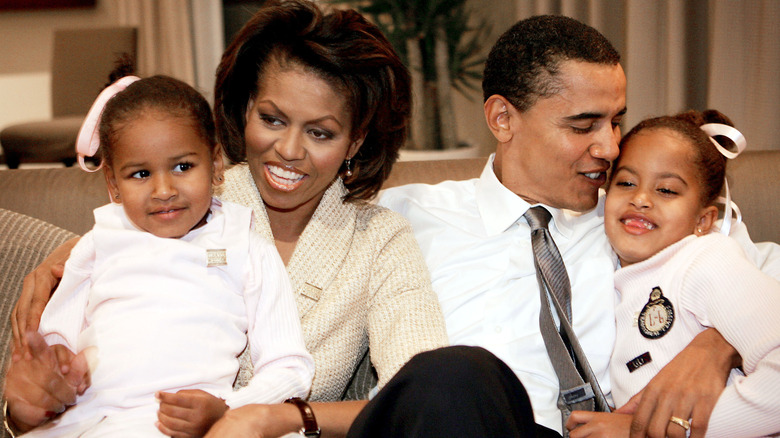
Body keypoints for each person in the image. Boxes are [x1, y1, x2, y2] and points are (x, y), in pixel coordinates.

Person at [5, 1, 448, 436]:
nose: (289, 150)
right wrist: (27, 405)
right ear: (245, 109)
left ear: (354, 142)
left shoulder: (378, 241)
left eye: (320, 132)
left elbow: (421, 397)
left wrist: (278, 416)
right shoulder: (180, 197)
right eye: (272, 119)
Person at [375, 15, 780, 438]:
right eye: (583, 125)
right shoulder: (406, 216)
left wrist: (719, 343)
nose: (610, 148)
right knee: (455, 373)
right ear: (502, 119)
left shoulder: (642, 221)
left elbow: (760, 284)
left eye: (615, 121)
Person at [12, 69, 315, 437]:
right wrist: (53, 369)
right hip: (95, 423)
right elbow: (56, 339)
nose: (163, 190)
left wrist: (228, 410)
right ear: (113, 184)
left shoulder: (245, 245)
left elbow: (290, 367)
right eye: (140, 174)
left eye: (183, 167)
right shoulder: (98, 242)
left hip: (199, 426)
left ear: (215, 164)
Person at [566, 110, 780, 438]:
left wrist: (659, 430)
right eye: (625, 183)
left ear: (704, 220)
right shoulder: (607, 281)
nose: (640, 198)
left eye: (666, 190)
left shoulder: (706, 258)